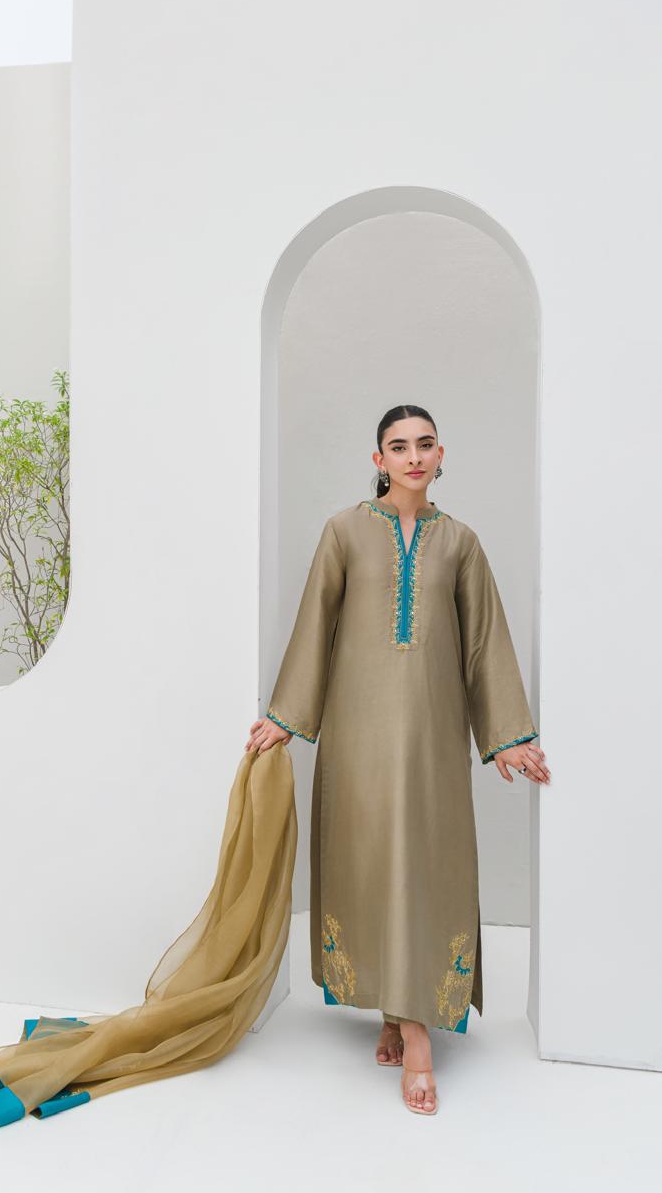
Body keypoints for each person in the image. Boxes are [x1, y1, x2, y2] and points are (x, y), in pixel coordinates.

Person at [245, 404, 550, 1115]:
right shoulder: (344, 531)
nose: (413, 457)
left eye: (424, 445)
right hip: (357, 733)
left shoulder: (460, 542)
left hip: (433, 735)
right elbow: (314, 624)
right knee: (373, 862)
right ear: (378, 460)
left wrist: (508, 733)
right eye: (398, 446)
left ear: (441, 454)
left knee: (423, 864)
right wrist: (285, 717)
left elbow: (484, 641)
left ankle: (406, 1022)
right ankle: (408, 1027)